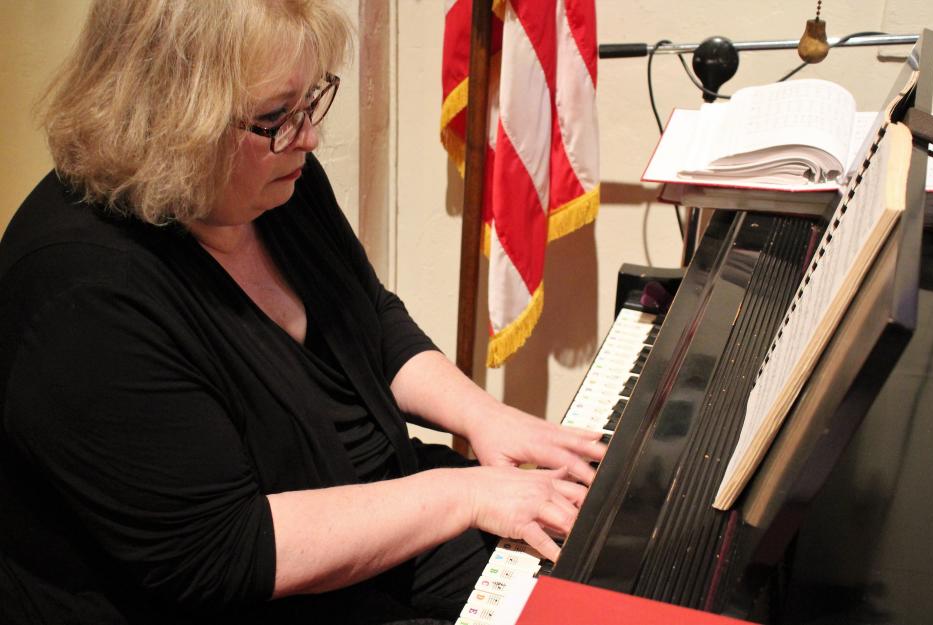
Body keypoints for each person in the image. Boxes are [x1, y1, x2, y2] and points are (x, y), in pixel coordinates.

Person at [0, 1, 604, 624]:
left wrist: (486, 417)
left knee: (597, 567)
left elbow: (366, 317)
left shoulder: (273, 180)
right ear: (171, 120)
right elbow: (227, 551)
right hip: (243, 589)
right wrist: (466, 492)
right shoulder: (81, 291)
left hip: (369, 512)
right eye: (275, 117)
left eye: (309, 102)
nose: (308, 137)